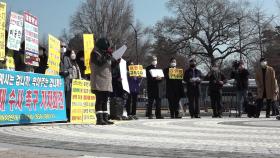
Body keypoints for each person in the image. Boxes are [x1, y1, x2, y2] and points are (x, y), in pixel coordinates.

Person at [90, 38, 114, 125]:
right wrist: (107, 55)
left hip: (106, 80)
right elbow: (99, 62)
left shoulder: (104, 54)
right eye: (106, 46)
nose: (107, 48)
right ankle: (99, 119)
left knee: (105, 100)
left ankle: (105, 118)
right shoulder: (94, 53)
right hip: (98, 80)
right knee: (99, 100)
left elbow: (110, 66)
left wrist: (116, 61)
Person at [63, 50, 82, 121]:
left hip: (76, 84)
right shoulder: (68, 61)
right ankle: (68, 115)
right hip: (70, 83)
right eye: (72, 53)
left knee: (74, 100)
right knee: (69, 101)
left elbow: (78, 72)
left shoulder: (76, 63)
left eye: (74, 53)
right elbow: (69, 72)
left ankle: (74, 115)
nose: (74, 54)